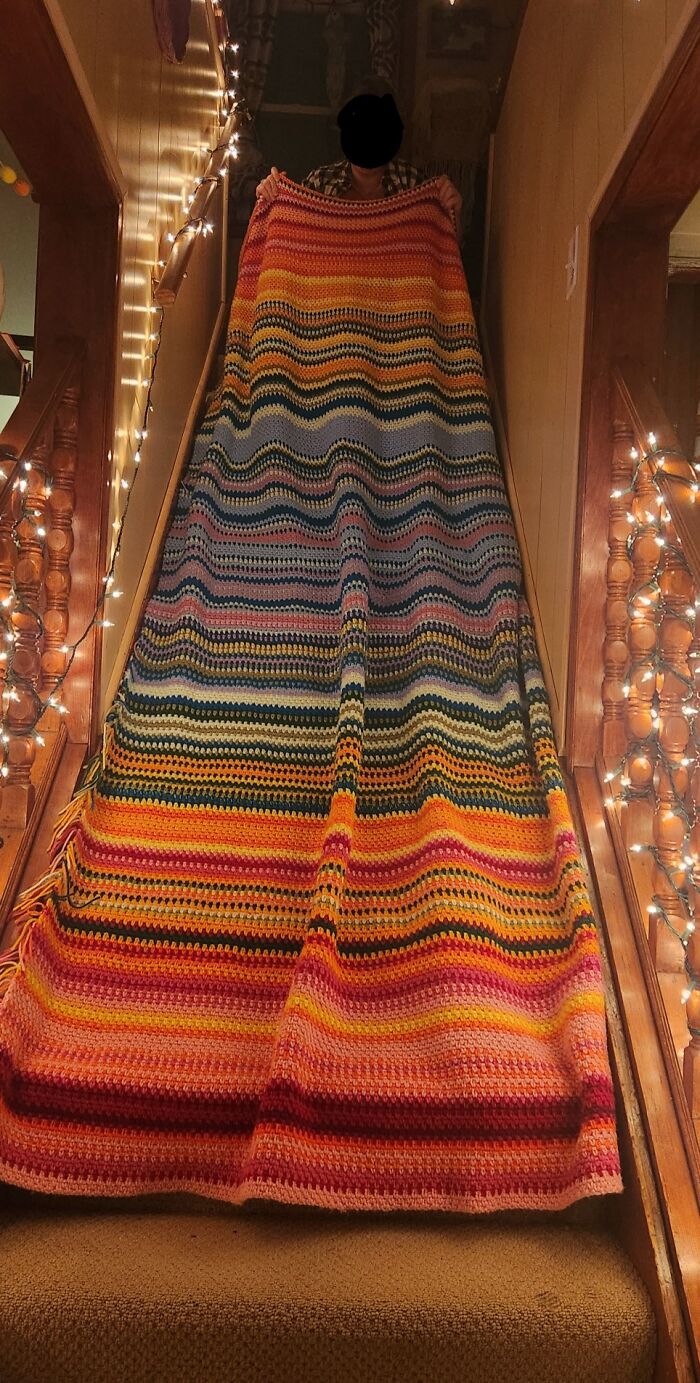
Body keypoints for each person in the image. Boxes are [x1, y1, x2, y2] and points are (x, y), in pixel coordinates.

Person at [255, 76, 463, 239]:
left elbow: (440, 260)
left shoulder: (415, 185)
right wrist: (271, 200)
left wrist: (453, 214)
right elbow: (291, 244)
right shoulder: (319, 183)